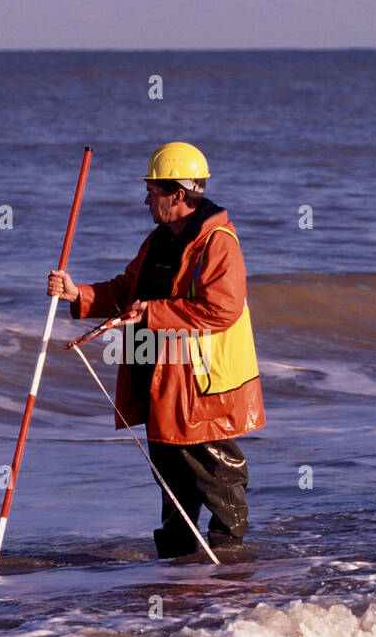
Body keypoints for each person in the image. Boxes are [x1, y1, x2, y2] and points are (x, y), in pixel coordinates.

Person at [47, 142, 265, 558]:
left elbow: (222, 309)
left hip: (201, 383)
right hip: (158, 374)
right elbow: (128, 291)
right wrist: (78, 294)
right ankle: (178, 565)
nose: (146, 197)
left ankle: (230, 566)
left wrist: (152, 314)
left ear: (178, 195)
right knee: (171, 479)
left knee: (217, 473)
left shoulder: (217, 243)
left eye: (153, 190)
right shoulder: (159, 240)